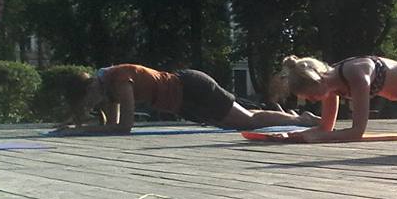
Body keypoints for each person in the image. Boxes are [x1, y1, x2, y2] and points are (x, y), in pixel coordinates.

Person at [53, 64, 319, 135]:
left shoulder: (121, 79)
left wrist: (81, 129)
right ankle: (296, 118)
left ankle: (301, 119)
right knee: (239, 122)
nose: (93, 104)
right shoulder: (107, 87)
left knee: (246, 121)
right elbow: (109, 125)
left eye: (91, 98)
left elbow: (123, 127)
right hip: (184, 101)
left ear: (92, 87)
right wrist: (76, 127)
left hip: (191, 87)